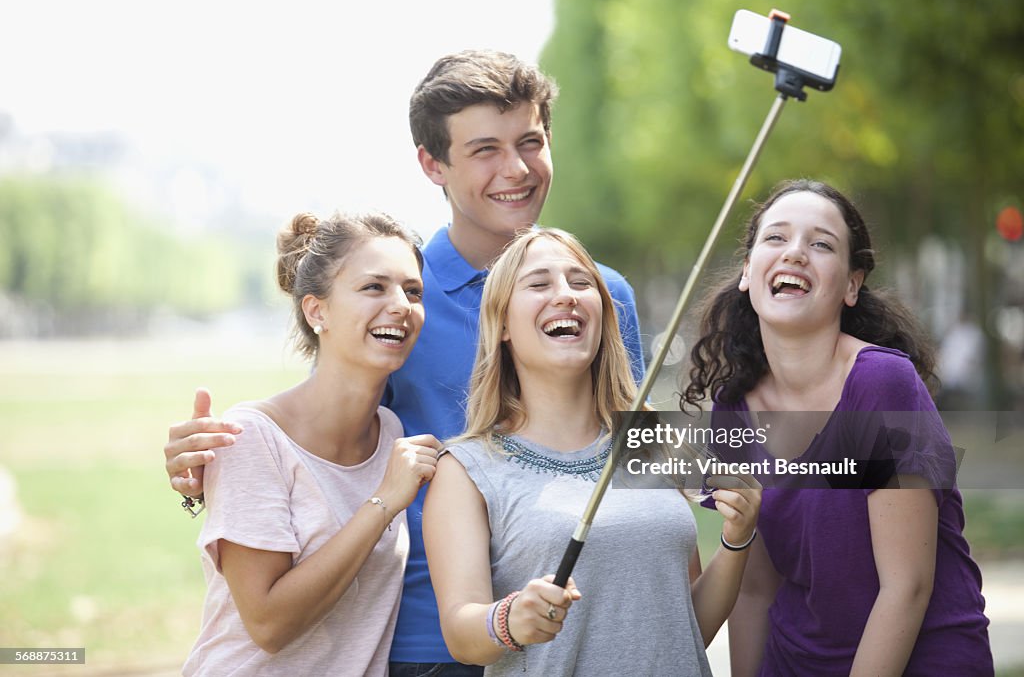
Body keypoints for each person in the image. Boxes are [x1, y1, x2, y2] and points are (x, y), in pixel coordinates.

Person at [163, 50, 645, 676]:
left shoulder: (602, 297)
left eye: (530, 142)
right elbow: (321, 435)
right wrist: (207, 465)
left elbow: (633, 450)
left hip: (578, 627)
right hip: (429, 646)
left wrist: (769, 454)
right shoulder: (403, 303)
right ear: (431, 164)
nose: (517, 169)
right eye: (484, 150)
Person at [683, 179, 993, 676]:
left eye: (821, 243)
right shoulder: (732, 408)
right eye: (776, 238)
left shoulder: (882, 382)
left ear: (851, 284)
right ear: (747, 272)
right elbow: (756, 588)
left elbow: (906, 586)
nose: (796, 254)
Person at [424, 228, 761, 675]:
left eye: (582, 283)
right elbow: (461, 636)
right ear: (502, 323)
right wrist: (510, 619)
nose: (565, 295)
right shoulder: (466, 469)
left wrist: (737, 541)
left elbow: (686, 627)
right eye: (540, 284)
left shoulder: (650, 443)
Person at [183, 212, 442, 676]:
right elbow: (268, 624)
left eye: (413, 291)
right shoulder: (251, 437)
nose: (402, 304)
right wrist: (383, 502)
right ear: (316, 310)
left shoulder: (391, 433)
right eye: (374, 287)